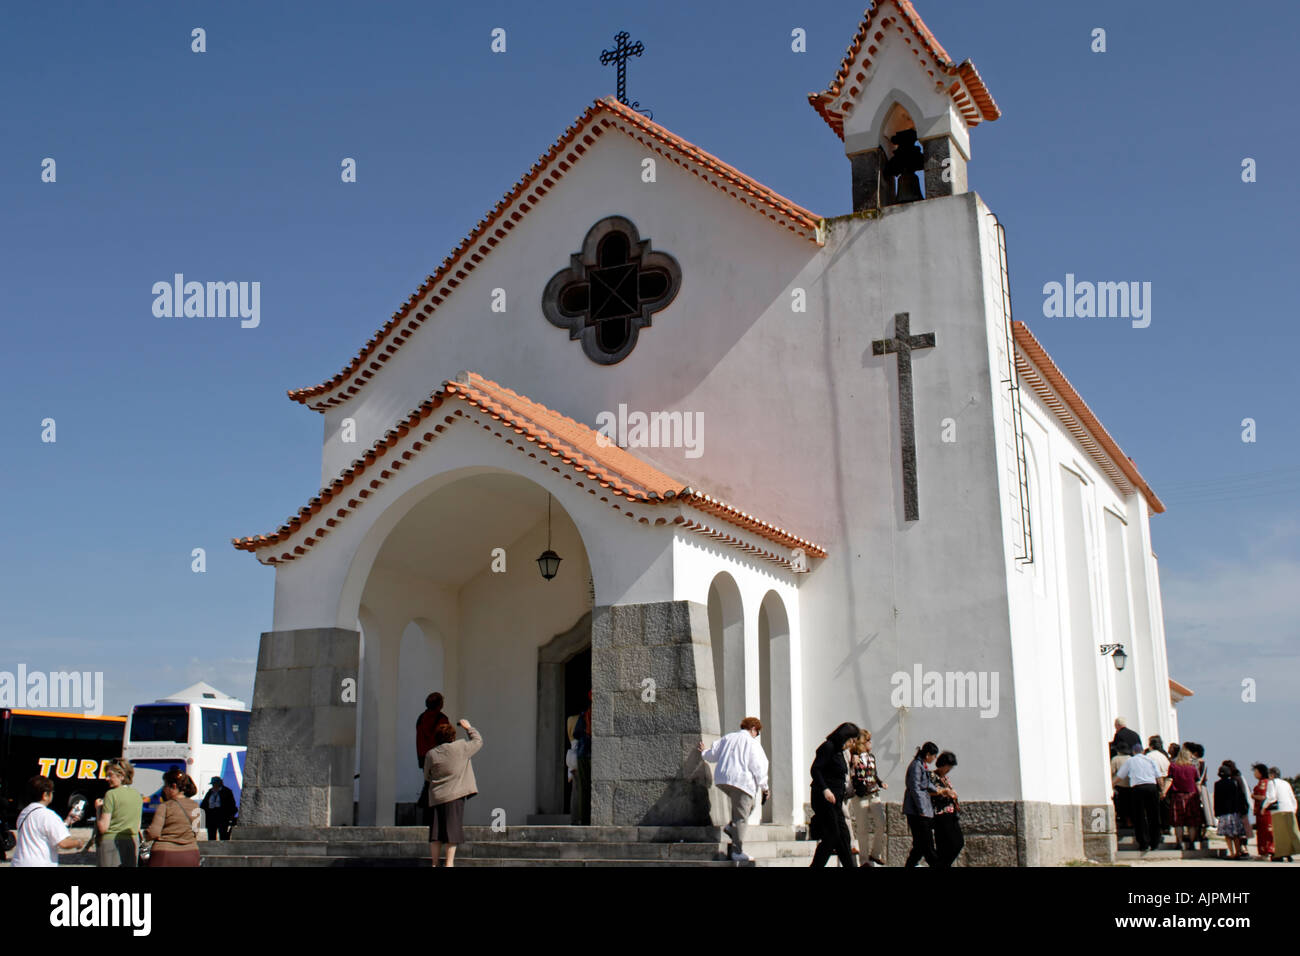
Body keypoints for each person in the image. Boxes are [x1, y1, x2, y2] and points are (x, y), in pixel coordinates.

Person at [698, 716, 769, 862]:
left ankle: (731, 828)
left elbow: (713, 754)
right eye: (758, 732)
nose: (757, 736)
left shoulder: (728, 738)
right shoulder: (752, 743)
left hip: (723, 779)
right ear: (753, 729)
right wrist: (765, 788)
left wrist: (703, 752)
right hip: (742, 781)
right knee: (741, 817)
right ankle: (737, 851)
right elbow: (758, 766)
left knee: (749, 806)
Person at [424, 718, 482, 867]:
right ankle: (449, 863)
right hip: (455, 796)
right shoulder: (461, 747)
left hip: (436, 797)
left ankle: (435, 863)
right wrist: (468, 727)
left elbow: (427, 775)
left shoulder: (431, 754)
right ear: (452, 736)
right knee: (452, 832)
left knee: (435, 834)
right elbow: (478, 741)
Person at [809, 722, 859, 867]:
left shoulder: (840, 752)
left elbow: (839, 773)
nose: (852, 744)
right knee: (832, 835)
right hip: (823, 799)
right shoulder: (828, 747)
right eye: (851, 740)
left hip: (835, 801)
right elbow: (815, 770)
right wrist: (825, 789)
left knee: (844, 836)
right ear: (844, 737)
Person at [10, 776, 87, 866]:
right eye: (52, 792)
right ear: (45, 795)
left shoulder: (24, 813)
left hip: (19, 862)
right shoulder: (48, 815)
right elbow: (63, 843)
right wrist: (78, 842)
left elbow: (41, 830)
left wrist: (67, 821)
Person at [903, 741, 952, 867]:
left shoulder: (922, 765)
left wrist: (939, 791)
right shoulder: (916, 766)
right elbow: (915, 789)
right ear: (928, 754)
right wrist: (922, 809)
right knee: (927, 845)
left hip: (922, 810)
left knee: (919, 847)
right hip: (917, 812)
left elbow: (927, 783)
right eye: (934, 756)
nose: (934, 759)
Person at [847, 729, 888, 867]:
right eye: (868, 741)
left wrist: (881, 782)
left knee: (881, 823)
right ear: (862, 743)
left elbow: (874, 773)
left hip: (874, 793)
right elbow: (850, 775)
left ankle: (875, 853)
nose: (871, 743)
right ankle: (864, 860)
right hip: (860, 796)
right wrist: (853, 764)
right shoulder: (853, 757)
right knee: (862, 828)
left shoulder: (871, 757)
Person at [143, 769, 200, 867]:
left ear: (173, 786)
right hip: (190, 853)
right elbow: (196, 831)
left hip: (165, 855)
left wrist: (146, 834)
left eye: (165, 785)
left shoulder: (165, 806)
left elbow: (154, 833)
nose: (164, 789)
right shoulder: (195, 806)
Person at [1114, 744, 1162, 853]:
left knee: (1139, 816)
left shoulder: (1130, 761)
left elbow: (1120, 776)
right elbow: (1159, 777)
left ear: (1133, 752)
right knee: (1153, 815)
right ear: (1142, 751)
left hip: (1138, 788)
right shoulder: (1150, 760)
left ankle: (1143, 843)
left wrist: (1111, 784)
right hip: (1151, 787)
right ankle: (1155, 842)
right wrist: (1161, 790)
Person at [95, 759, 143, 866]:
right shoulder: (137, 795)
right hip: (132, 841)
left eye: (110, 775)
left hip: (111, 842)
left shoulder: (111, 795)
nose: (107, 779)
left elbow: (103, 827)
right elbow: (138, 826)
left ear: (121, 776)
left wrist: (98, 809)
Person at [415, 692, 451, 824]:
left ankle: (427, 814)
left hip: (424, 757)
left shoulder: (421, 718)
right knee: (437, 787)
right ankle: (434, 817)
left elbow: (419, 740)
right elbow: (446, 740)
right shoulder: (442, 719)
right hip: (439, 757)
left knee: (429, 784)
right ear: (439, 705)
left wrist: (421, 757)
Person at [1164, 747, 1202, 850]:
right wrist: (1200, 796)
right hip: (1191, 796)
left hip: (1177, 796)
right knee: (1192, 822)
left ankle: (1179, 842)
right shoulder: (1193, 768)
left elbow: (1169, 780)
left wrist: (1163, 792)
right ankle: (1191, 842)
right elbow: (1198, 783)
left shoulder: (1173, 766)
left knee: (1178, 822)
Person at [931, 751, 963, 867]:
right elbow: (930, 791)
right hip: (941, 814)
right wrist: (946, 792)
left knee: (955, 843)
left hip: (950, 813)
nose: (949, 769)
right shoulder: (932, 776)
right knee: (952, 844)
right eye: (948, 767)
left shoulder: (944, 778)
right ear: (943, 764)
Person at [1212, 761, 1249, 860]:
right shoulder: (1234, 783)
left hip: (1224, 812)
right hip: (1234, 812)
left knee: (1227, 835)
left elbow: (1217, 799)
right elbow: (1238, 797)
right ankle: (1238, 852)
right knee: (1236, 834)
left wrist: (1216, 811)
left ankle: (1231, 852)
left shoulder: (1217, 784)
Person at [1267, 768, 1298, 863]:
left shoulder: (1271, 783)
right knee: (1292, 833)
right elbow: (1293, 798)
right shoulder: (1286, 783)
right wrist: (1294, 810)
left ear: (1272, 775)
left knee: (1280, 834)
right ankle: (1289, 853)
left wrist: (1264, 807)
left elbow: (1271, 798)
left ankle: (1280, 854)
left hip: (1278, 811)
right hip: (1289, 809)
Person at [571, 691, 592, 826]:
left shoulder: (585, 714)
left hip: (583, 753)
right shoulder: (591, 713)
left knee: (584, 788)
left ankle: (584, 820)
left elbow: (576, 733)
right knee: (588, 787)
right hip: (590, 754)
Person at [199, 775, 237, 841]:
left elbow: (231, 805)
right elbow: (204, 804)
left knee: (223, 835)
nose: (213, 785)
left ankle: (223, 849)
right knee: (211, 835)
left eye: (215, 784)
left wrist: (229, 816)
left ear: (219, 783)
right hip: (211, 817)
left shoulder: (227, 791)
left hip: (222, 817)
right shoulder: (210, 792)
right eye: (213, 784)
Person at [1251, 764, 1275, 859]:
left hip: (1264, 811)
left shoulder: (1264, 783)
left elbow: (1264, 797)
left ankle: (1267, 851)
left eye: (1256, 772)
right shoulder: (1263, 782)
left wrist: (1253, 796)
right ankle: (1266, 851)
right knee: (1262, 832)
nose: (1254, 774)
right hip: (1261, 812)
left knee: (1265, 832)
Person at [1111, 740, 1133, 830]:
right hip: (1131, 785)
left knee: (1121, 806)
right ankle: (1130, 822)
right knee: (1130, 805)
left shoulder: (1116, 759)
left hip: (1119, 785)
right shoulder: (1131, 758)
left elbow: (1112, 771)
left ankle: (1123, 822)